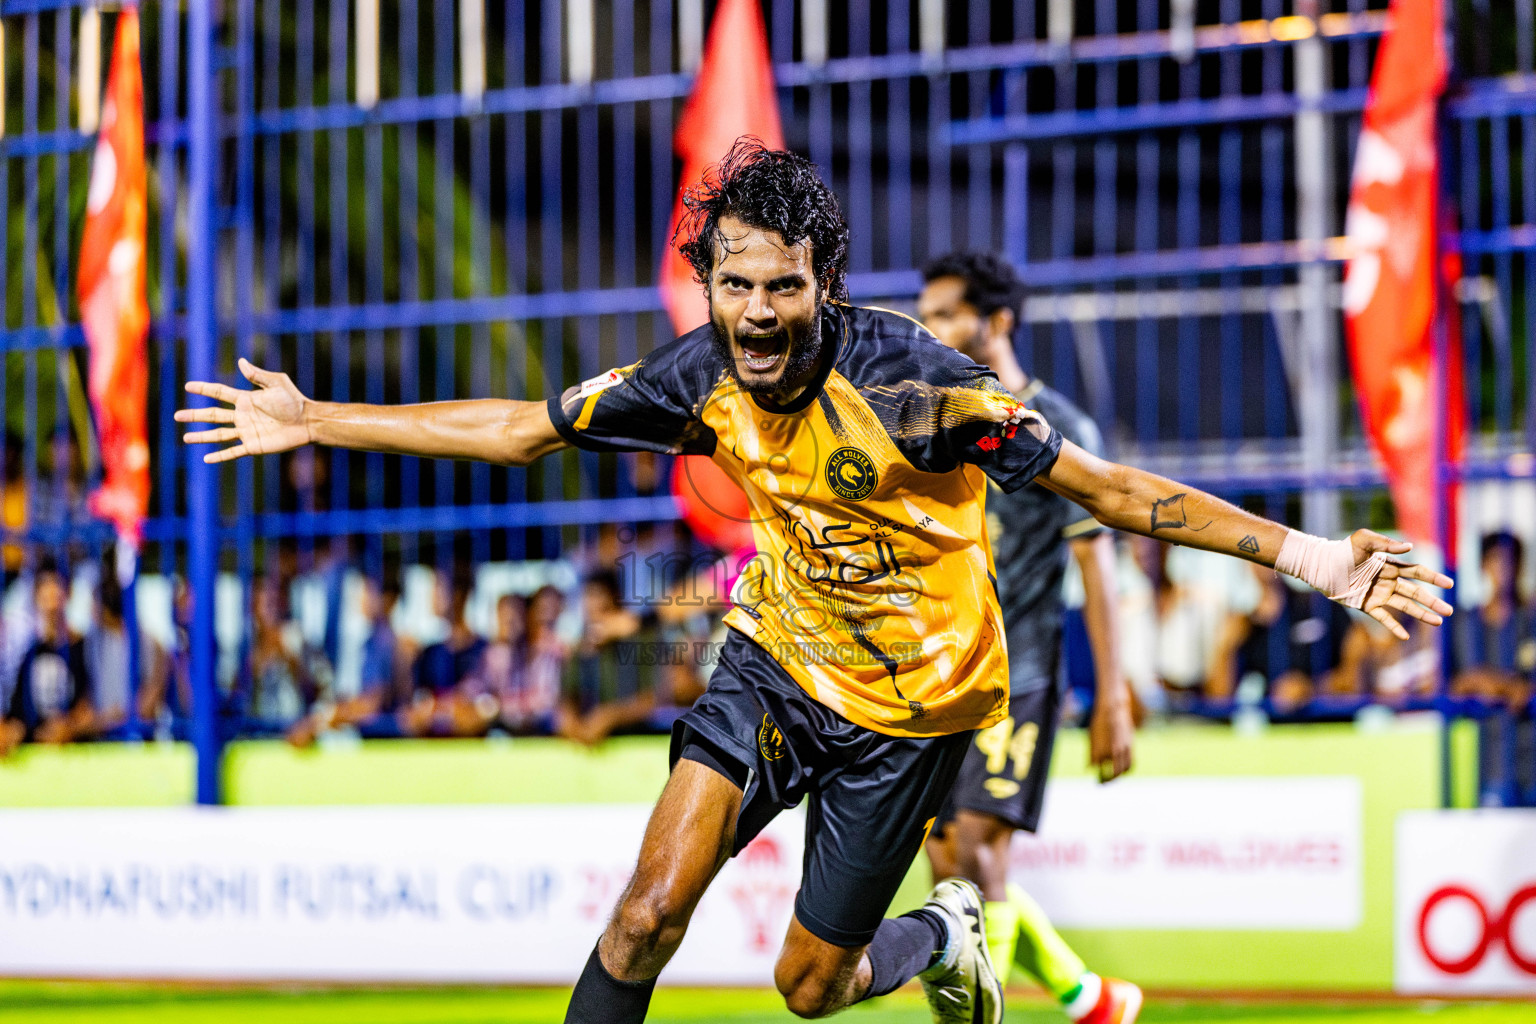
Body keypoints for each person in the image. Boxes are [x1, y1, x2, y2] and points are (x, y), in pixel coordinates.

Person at [178, 139, 1453, 1024]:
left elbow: (1114, 496)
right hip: (775, 664)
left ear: (822, 285)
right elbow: (520, 425)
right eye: (734, 285)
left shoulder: (927, 389)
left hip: (912, 712)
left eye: (782, 286)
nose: (757, 312)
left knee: (810, 986)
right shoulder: (697, 377)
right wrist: (318, 419)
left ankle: (946, 936)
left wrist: (1318, 558)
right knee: (639, 922)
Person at [917, 251, 1138, 1023]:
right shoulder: (937, 422)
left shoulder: (1055, 427)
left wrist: (1112, 693)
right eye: (928, 313)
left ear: (998, 321)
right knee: (949, 861)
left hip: (1022, 673)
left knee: (978, 851)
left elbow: (1098, 568)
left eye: (948, 313)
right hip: (939, 674)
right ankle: (1090, 998)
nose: (931, 328)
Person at [0, 561, 95, 756]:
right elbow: (20, 711)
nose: (51, 593)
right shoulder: (30, 651)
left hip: (78, 752)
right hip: (36, 752)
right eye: (44, 585)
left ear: (68, 592)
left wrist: (69, 727)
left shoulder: (86, 647)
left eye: (56, 584)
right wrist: (13, 731)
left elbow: (95, 706)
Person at [558, 570, 660, 746]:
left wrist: (610, 717)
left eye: (600, 597)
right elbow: (568, 700)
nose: (594, 606)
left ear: (616, 600)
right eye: (589, 597)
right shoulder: (579, 649)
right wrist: (571, 722)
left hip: (638, 748)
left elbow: (653, 701)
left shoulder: (642, 641)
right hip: (588, 750)